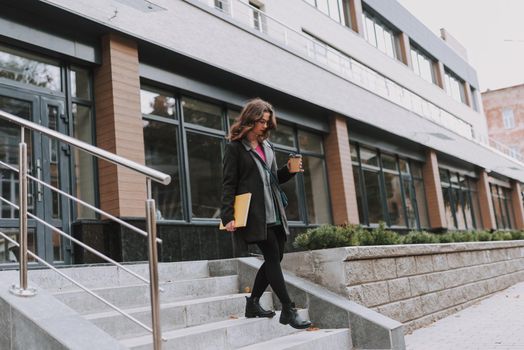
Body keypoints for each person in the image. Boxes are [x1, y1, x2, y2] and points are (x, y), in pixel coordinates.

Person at [220, 98, 311, 329]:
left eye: (267, 122)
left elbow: (272, 180)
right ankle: (289, 310)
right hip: (255, 215)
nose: (264, 126)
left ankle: (252, 304)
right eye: (260, 121)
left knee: (276, 257)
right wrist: (227, 215)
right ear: (250, 119)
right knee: (272, 257)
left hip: (275, 212)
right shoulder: (235, 148)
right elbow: (228, 184)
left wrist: (288, 172)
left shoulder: (267, 146)